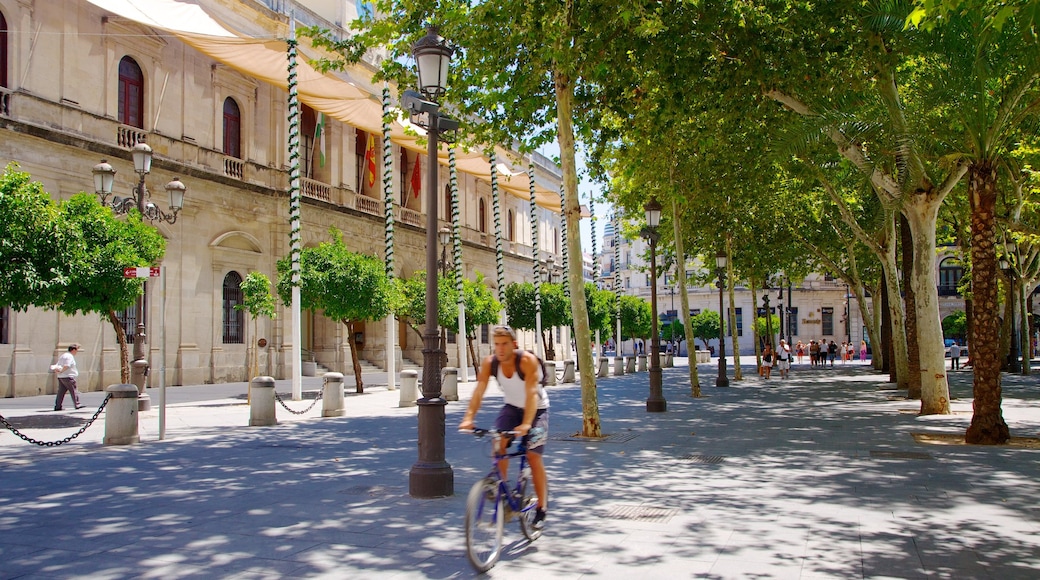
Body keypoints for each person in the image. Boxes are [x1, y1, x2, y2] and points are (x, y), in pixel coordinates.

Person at [460, 326, 549, 529]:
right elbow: (479, 391)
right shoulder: (490, 363)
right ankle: (504, 490)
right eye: (496, 344)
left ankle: (541, 508)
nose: (500, 349)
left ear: (514, 345)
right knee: (498, 442)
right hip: (512, 407)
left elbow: (532, 394)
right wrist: (468, 418)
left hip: (537, 409)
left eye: (504, 344)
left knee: (533, 456)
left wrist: (526, 424)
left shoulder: (527, 361)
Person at [52, 343, 84, 411]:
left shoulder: (63, 355)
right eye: (77, 350)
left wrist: (59, 372)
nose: (77, 352)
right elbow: (67, 365)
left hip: (61, 377)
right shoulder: (69, 356)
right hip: (68, 376)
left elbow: (58, 365)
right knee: (74, 390)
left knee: (61, 392)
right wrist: (61, 371)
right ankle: (77, 404)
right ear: (73, 350)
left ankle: (58, 405)